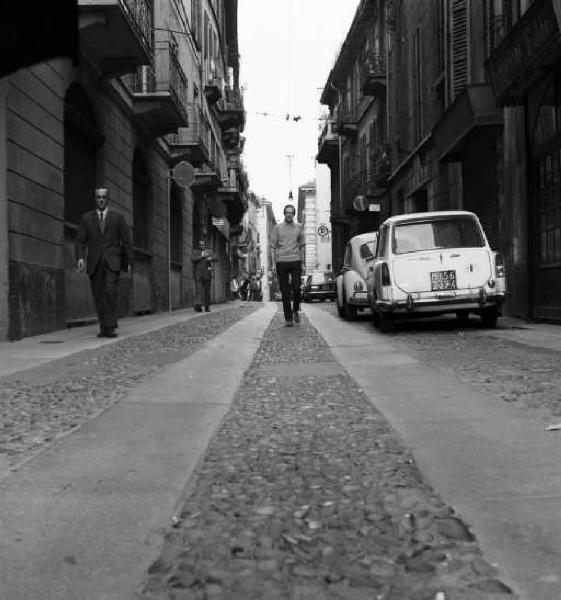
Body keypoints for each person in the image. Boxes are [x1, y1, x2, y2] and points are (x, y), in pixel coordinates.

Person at [76, 187, 133, 338]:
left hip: (112, 262)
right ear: (95, 199)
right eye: (98, 197)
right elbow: (80, 241)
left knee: (109, 291)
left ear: (108, 199)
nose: (101, 200)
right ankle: (104, 327)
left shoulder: (117, 218)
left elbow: (126, 241)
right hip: (94, 263)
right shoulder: (86, 219)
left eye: (103, 197)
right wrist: (81, 258)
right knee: (98, 295)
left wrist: (128, 261)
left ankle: (111, 326)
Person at [271, 203, 305, 326]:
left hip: (295, 260)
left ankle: (295, 310)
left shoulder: (299, 227)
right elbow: (273, 247)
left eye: (291, 212)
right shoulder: (277, 228)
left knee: (296, 288)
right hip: (281, 261)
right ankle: (288, 318)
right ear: (284, 214)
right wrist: (273, 264)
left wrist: (303, 262)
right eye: (287, 212)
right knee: (285, 292)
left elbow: (302, 246)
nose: (289, 214)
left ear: (294, 214)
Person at [191, 239, 216, 312]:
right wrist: (201, 256)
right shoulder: (195, 252)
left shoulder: (208, 251)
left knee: (207, 292)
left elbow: (216, 258)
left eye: (204, 245)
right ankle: (198, 306)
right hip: (198, 274)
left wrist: (211, 258)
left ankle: (207, 306)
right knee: (198, 291)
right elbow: (192, 259)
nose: (203, 246)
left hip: (207, 275)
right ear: (198, 246)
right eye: (201, 245)